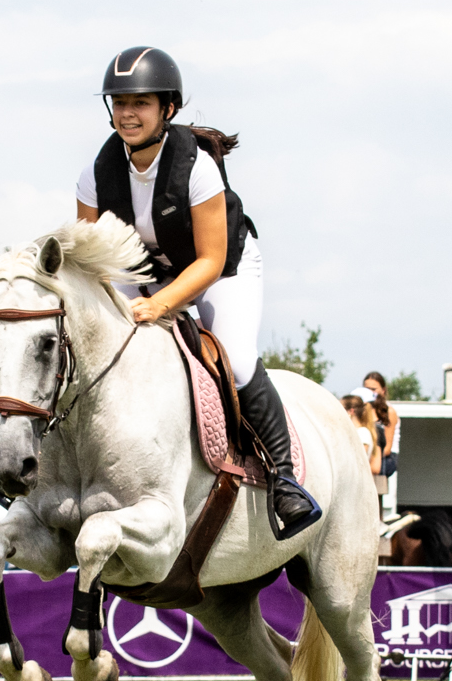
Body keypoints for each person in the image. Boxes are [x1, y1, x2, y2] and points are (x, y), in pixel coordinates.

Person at [79, 46, 321, 537]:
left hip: (222, 267)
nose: (128, 113)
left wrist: (159, 305)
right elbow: (94, 262)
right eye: (120, 103)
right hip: (147, 269)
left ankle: (284, 480)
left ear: (167, 108)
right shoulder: (94, 177)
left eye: (141, 103)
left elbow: (209, 260)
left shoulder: (196, 168)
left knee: (235, 360)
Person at [363, 371, 401, 524]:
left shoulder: (389, 411)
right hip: (369, 456)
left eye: (374, 389)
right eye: (366, 389)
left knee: (374, 472)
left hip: (387, 458)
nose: (370, 392)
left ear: (383, 390)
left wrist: (367, 459)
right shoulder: (363, 410)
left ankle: (377, 520)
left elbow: (387, 448)